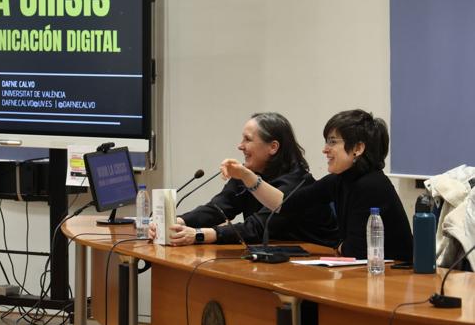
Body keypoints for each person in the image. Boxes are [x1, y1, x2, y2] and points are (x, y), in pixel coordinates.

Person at [221, 109, 413, 260]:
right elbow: (283, 205)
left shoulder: (372, 185)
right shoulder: (339, 179)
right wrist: (247, 176)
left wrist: (341, 247)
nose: (325, 150)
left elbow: (356, 251)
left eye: (332, 142)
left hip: (394, 276)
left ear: (357, 148)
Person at [152, 112, 339, 247]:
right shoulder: (249, 172)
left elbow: (257, 228)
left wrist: (199, 235)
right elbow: (218, 208)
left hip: (315, 265)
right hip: (274, 257)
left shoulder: (298, 183)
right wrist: (177, 223)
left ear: (273, 147)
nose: (240, 146)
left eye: (247, 140)